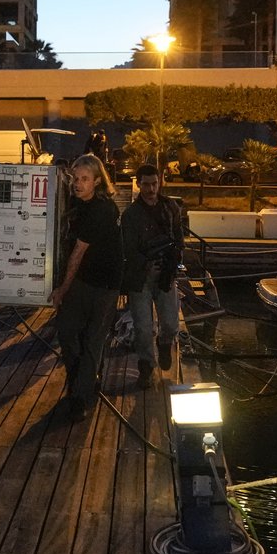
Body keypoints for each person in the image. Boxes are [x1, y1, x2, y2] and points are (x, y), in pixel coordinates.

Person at [51, 153, 122, 422]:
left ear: (97, 181)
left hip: (104, 284)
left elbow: (78, 252)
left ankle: (79, 397)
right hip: (84, 279)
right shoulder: (77, 203)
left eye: (84, 179)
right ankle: (83, 380)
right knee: (67, 330)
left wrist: (61, 290)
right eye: (75, 178)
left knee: (93, 339)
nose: (77, 184)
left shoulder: (102, 209)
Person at [120, 164, 183, 388]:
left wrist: (171, 264)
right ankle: (146, 367)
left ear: (160, 182)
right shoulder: (131, 214)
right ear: (138, 184)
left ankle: (165, 344)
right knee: (143, 328)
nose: (151, 188)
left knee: (171, 323)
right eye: (146, 184)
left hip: (165, 275)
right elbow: (128, 248)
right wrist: (146, 265)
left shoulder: (170, 207)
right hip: (141, 278)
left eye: (154, 183)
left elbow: (179, 239)